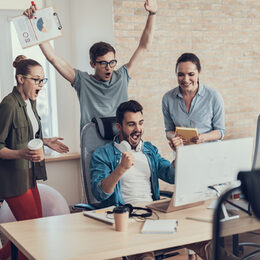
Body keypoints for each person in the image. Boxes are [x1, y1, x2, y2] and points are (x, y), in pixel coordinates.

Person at [24, 0, 158, 130]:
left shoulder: (122, 77)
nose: (109, 67)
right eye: (103, 63)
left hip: (119, 141)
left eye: (112, 62)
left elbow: (144, 48)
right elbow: (53, 58)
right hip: (93, 142)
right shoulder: (83, 81)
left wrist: (152, 14)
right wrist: (34, 22)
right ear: (92, 64)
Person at [0, 55, 69, 260]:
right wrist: (21, 153)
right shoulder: (9, 104)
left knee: (35, 227)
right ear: (21, 79)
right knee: (31, 233)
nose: (41, 85)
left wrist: (45, 141)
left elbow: (26, 135)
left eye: (43, 80)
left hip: (29, 175)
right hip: (13, 181)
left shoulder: (31, 102)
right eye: (36, 80)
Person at [90, 100, 182, 208]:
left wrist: (179, 154)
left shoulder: (149, 150)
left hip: (151, 210)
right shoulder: (102, 154)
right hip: (123, 213)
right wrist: (121, 169)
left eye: (141, 123)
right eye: (131, 124)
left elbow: (171, 177)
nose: (138, 129)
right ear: (119, 127)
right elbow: (100, 193)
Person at [162, 53, 225, 149]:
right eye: (181, 75)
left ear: (199, 72)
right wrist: (174, 138)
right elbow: (169, 131)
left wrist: (203, 137)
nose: (186, 80)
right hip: (182, 153)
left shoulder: (214, 96)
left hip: (209, 153)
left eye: (191, 74)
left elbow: (220, 132)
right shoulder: (167, 98)